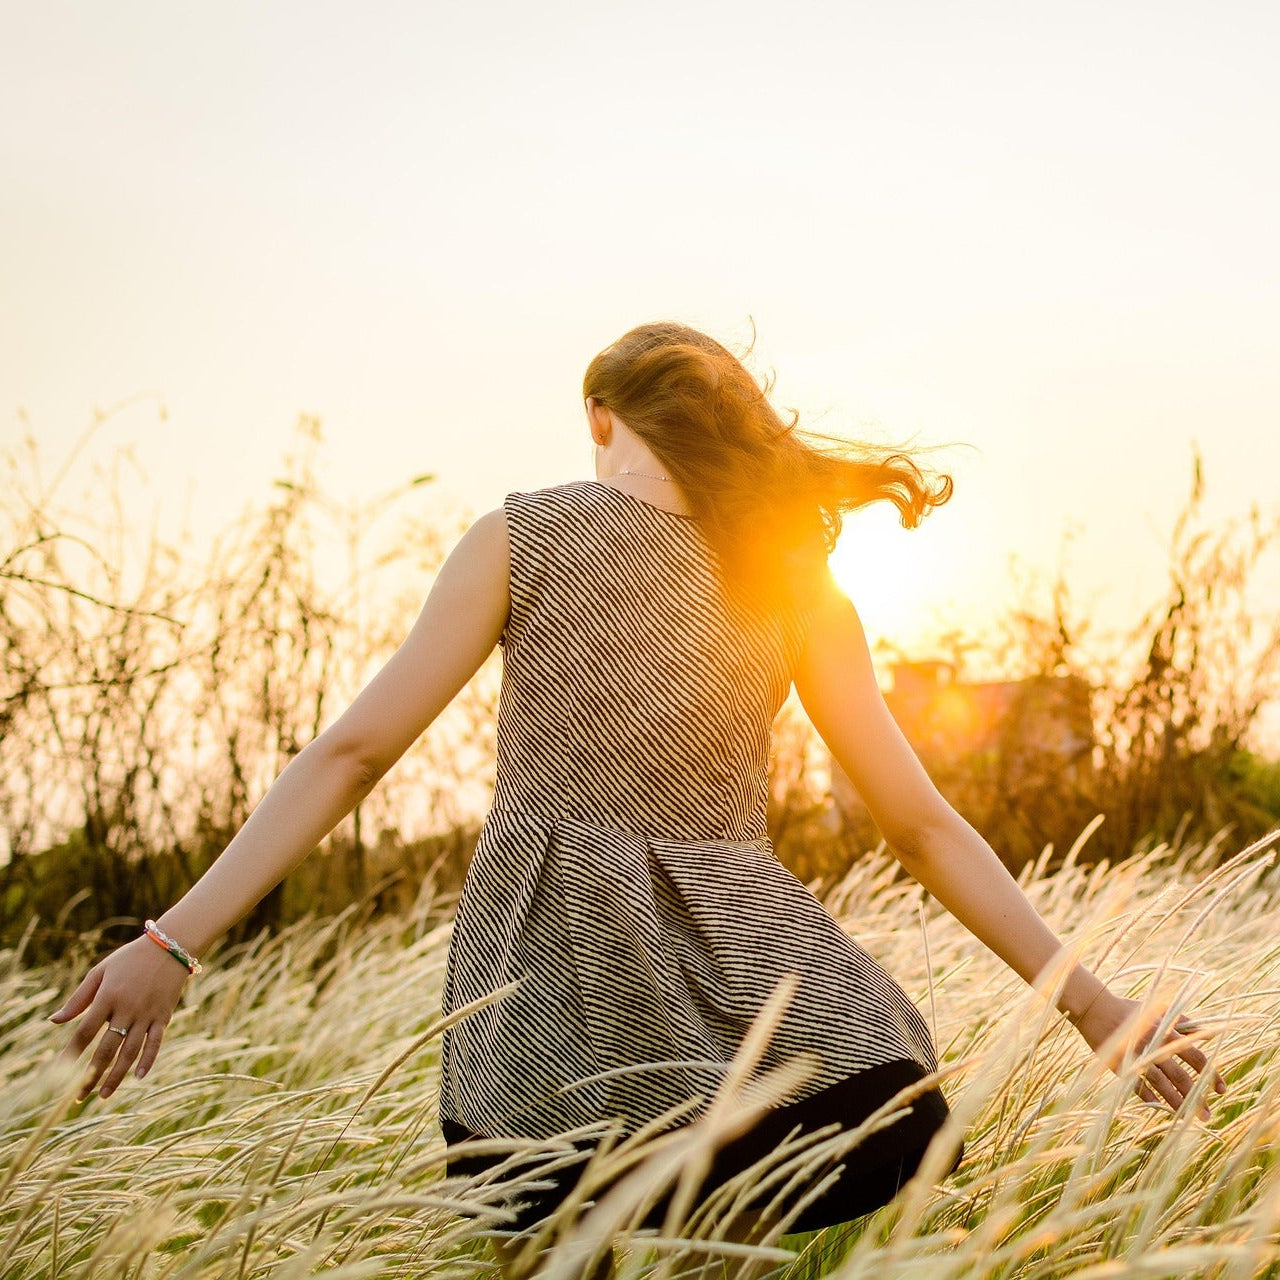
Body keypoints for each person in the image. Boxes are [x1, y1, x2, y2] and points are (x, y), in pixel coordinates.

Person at [48, 321, 1226, 1280]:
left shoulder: (523, 533)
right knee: (728, 1240)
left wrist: (174, 939)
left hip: (540, 973)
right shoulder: (792, 583)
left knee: (551, 1255)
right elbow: (919, 824)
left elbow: (353, 754)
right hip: (741, 985)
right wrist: (1093, 1006)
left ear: (600, 415)